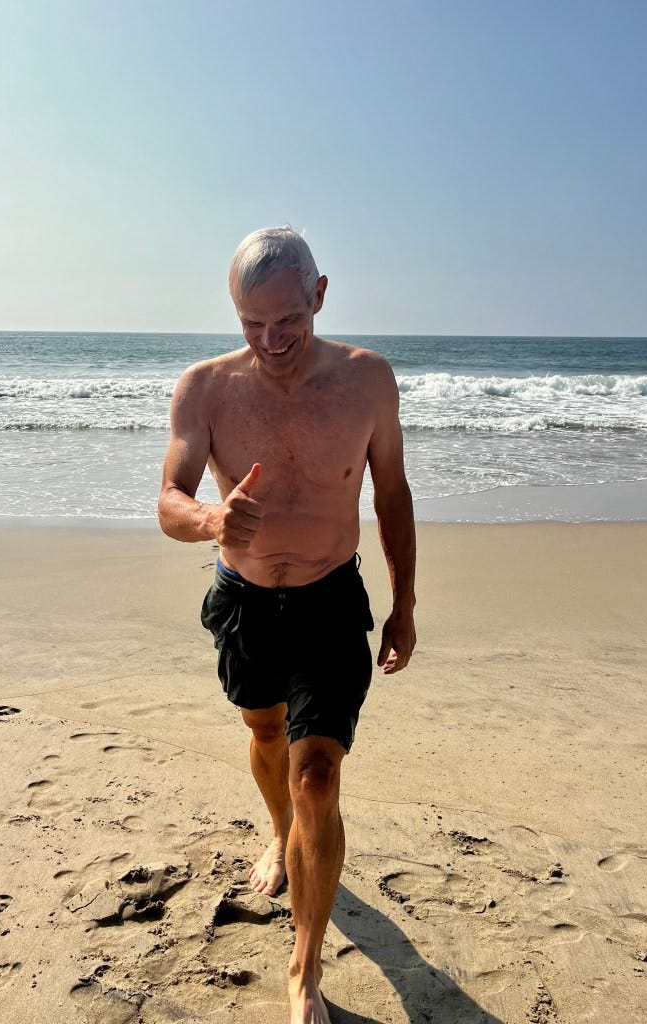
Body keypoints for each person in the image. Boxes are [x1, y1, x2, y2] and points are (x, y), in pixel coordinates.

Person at [158, 226, 416, 1024]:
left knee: (319, 777)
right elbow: (169, 500)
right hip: (245, 601)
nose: (270, 340)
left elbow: (393, 494)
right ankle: (279, 834)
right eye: (250, 323)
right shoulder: (204, 388)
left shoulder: (367, 381)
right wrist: (211, 522)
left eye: (286, 321)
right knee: (266, 736)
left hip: (331, 598)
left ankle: (304, 973)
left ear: (320, 295)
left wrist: (405, 603)